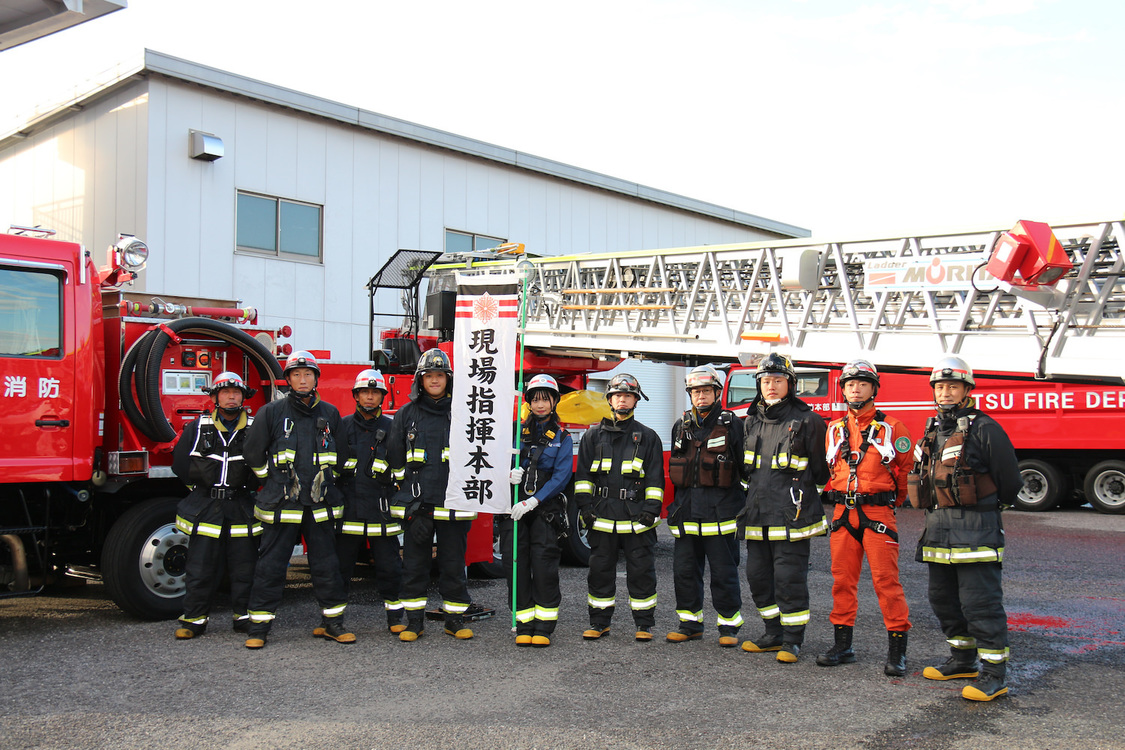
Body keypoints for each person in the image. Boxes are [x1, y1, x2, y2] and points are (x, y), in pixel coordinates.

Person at [910, 356, 1021, 701]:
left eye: (952, 387)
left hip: (976, 533)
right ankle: (962, 660)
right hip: (939, 533)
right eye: (940, 387)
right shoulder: (932, 429)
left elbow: (1010, 482)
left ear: (967, 390)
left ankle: (993, 674)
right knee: (943, 600)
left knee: (980, 604)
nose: (945, 393)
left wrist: (986, 512)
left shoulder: (986, 428)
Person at [242, 350, 353, 649]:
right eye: (296, 375)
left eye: (308, 374)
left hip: (319, 504)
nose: (302, 379)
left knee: (327, 565)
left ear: (316, 378)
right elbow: (252, 454)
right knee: (271, 566)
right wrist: (275, 480)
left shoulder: (329, 414)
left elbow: (341, 457)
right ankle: (258, 628)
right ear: (288, 379)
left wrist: (326, 480)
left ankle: (333, 623)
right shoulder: (272, 412)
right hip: (283, 504)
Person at [818, 360, 913, 675]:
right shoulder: (833, 429)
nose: (855, 388)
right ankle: (842, 646)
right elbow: (831, 470)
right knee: (842, 582)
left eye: (861, 383)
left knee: (887, 582)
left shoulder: (893, 428)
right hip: (843, 513)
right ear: (843, 389)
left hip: (878, 513)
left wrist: (888, 501)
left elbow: (905, 471)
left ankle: (897, 653)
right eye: (849, 384)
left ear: (874, 388)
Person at [739, 353, 829, 663]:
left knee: (789, 579)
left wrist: (800, 501)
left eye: (778, 380)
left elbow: (820, 473)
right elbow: (744, 472)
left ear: (790, 384)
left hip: (792, 517)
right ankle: (771, 632)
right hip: (758, 515)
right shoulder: (750, 422)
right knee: (757, 577)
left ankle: (792, 640)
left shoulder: (808, 420)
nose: (771, 386)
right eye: (766, 381)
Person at [388, 348, 476, 642]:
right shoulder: (406, 414)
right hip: (419, 506)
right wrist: (408, 499)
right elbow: (396, 461)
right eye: (429, 376)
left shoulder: (464, 412)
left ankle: (454, 620)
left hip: (454, 503)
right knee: (414, 565)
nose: (435, 380)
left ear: (448, 379)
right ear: (420, 380)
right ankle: (414, 622)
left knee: (453, 565)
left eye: (440, 375)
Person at [573, 373, 665, 642]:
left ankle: (644, 625)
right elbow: (583, 478)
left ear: (636, 400)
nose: (622, 399)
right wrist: (585, 508)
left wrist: (651, 510)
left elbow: (655, 478)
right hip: (601, 518)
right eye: (617, 395)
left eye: (628, 395)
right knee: (600, 572)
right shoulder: (592, 436)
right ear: (609, 399)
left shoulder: (648, 437)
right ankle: (599, 622)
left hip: (637, 519)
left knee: (642, 573)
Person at [170, 372, 260, 639]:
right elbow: (180, 464)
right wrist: (201, 492)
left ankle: (243, 618)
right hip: (207, 507)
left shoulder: (255, 428)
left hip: (241, 506)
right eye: (225, 392)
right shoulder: (198, 427)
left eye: (236, 392)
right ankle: (194, 621)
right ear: (214, 397)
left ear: (244, 397)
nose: (231, 396)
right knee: (200, 567)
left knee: (245, 568)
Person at [665, 365, 745, 647]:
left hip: (720, 515)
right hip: (687, 514)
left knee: (724, 573)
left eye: (706, 391)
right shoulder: (681, 425)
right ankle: (690, 624)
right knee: (685, 572)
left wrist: (740, 507)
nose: (701, 396)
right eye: (696, 391)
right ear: (690, 394)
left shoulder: (733, 424)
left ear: (716, 392)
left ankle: (728, 627)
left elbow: (745, 469)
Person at [334, 368, 405, 635]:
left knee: (390, 568)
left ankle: (396, 617)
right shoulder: (341, 426)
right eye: (365, 391)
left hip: (382, 508)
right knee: (340, 568)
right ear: (356, 395)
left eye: (375, 392)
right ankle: (332, 620)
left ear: (383, 397)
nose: (370, 397)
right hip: (348, 508)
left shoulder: (393, 427)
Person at [505, 374, 573, 647]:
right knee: (517, 566)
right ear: (528, 402)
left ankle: (544, 626)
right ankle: (523, 622)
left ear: (554, 401)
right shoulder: (515, 431)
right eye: (535, 399)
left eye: (546, 398)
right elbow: (498, 458)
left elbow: (561, 475)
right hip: (515, 510)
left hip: (545, 510)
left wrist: (535, 501)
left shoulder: (562, 436)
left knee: (544, 567)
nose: (540, 404)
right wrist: (508, 473)